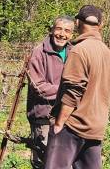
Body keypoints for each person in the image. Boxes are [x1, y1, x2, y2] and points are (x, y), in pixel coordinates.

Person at [45, 5, 110, 169]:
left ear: (77, 22)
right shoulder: (107, 53)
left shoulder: (79, 50)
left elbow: (73, 91)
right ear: (101, 25)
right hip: (95, 127)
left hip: (72, 126)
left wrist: (59, 123)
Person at [26, 16, 74, 169]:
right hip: (44, 118)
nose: (62, 34)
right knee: (43, 160)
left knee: (63, 163)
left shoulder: (74, 52)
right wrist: (65, 91)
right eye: (59, 29)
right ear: (52, 30)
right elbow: (37, 86)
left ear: (72, 34)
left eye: (67, 30)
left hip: (67, 117)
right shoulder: (39, 52)